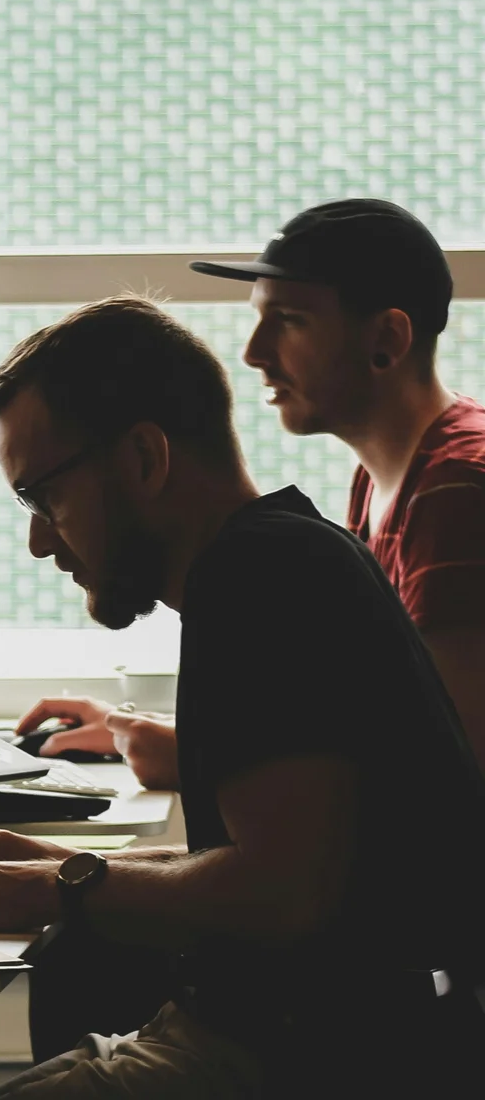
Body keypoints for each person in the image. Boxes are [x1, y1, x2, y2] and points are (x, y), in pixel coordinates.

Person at [0, 299, 485, 1100]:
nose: (40, 542)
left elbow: (285, 891)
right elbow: (282, 859)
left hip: (297, 1073)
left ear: (145, 457)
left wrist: (58, 887)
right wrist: (60, 861)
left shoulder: (263, 580)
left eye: (43, 494)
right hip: (296, 1049)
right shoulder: (289, 553)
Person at [24, 199, 485, 778]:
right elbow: (381, 718)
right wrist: (162, 734)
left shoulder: (455, 492)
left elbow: (452, 765)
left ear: (387, 339)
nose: (253, 353)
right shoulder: (385, 477)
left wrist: (195, 756)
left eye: (290, 320)